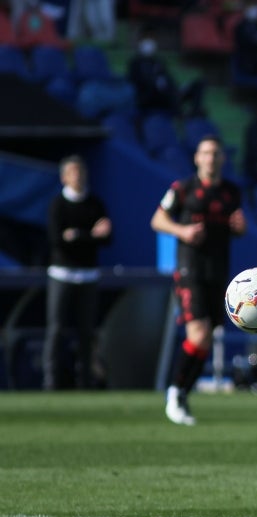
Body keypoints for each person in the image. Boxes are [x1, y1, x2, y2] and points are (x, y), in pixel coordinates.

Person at [150, 135, 246, 425]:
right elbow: (157, 220)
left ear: (222, 159)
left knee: (205, 337)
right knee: (199, 332)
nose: (211, 158)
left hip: (218, 271)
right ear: (197, 158)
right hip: (190, 269)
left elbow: (236, 228)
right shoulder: (183, 189)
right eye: (205, 153)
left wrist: (239, 228)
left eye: (216, 153)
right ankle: (176, 391)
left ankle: (181, 393)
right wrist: (183, 232)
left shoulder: (231, 192)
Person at [43, 155, 112, 390]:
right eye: (73, 172)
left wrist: (77, 235)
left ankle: (85, 383)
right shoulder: (57, 205)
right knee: (56, 330)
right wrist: (90, 235)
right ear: (64, 177)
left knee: (87, 332)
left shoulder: (95, 203)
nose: (78, 176)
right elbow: (57, 241)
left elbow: (107, 238)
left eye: (81, 171)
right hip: (61, 274)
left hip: (88, 276)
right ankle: (50, 382)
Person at [128, 27, 206, 118]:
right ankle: (180, 114)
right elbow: (138, 84)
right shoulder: (135, 63)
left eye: (152, 38)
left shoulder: (158, 62)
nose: (149, 42)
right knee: (164, 90)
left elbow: (169, 79)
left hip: (168, 94)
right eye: (146, 38)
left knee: (199, 84)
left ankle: (195, 110)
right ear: (140, 41)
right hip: (150, 98)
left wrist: (177, 89)